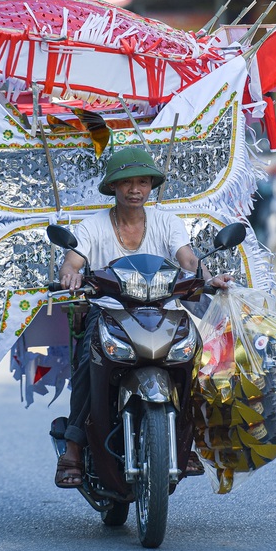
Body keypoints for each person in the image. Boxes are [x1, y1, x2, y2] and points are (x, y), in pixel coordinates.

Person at [54, 147, 233, 488]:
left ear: (151, 186)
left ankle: (186, 441)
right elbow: (72, 261)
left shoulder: (167, 223)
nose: (134, 189)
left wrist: (209, 279)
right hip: (109, 311)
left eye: (142, 182)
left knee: (195, 363)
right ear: (113, 188)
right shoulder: (92, 226)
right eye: (126, 183)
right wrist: (71, 276)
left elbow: (189, 260)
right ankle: (73, 448)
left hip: (163, 312)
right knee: (85, 366)